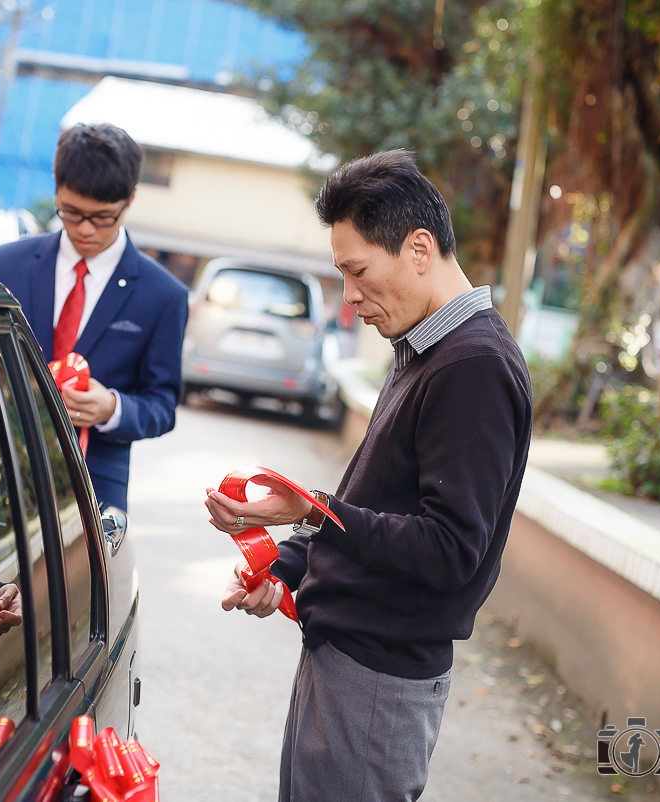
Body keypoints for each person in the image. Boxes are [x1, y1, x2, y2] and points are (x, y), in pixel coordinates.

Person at [204, 150, 533, 802]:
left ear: (418, 248)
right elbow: (374, 501)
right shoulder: (424, 346)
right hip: (346, 663)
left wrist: (308, 509)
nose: (349, 299)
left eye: (357, 272)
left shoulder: (472, 367)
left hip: (378, 682)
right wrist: (287, 564)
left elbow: (449, 551)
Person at [0, 123, 189, 511]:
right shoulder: (6, 263)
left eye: (103, 217)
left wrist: (113, 408)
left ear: (130, 199)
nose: (85, 229)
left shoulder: (163, 295)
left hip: (93, 485)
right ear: (56, 183)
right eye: (71, 212)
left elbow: (162, 405)